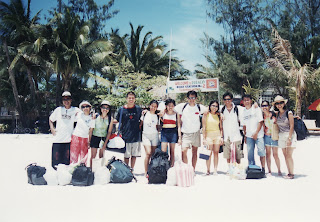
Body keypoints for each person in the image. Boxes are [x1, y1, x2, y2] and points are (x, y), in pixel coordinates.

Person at [174, 90, 206, 170]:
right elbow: (170, 108)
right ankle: (186, 169)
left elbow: (211, 110)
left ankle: (193, 170)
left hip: (196, 133)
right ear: (187, 98)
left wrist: (221, 114)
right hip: (185, 133)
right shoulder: (182, 106)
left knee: (194, 152)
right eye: (190, 97)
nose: (192, 99)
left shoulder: (199, 107)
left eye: (193, 97)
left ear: (196, 98)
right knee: (183, 150)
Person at [49, 91, 80, 169]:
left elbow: (84, 116)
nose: (66, 101)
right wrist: (52, 128)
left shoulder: (75, 110)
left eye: (68, 99)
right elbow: (51, 119)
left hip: (69, 140)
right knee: (55, 163)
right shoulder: (58, 110)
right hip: (57, 140)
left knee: (66, 162)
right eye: (64, 99)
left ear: (71, 100)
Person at [116, 91, 142, 170]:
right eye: (129, 98)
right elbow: (117, 120)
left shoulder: (138, 109)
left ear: (135, 99)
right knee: (126, 155)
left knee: (134, 155)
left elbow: (142, 120)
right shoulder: (121, 109)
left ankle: (131, 170)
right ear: (126, 99)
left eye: (132, 98)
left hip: (136, 136)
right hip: (125, 135)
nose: (131, 99)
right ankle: (126, 170)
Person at [273, 95, 297, 179]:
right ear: (275, 105)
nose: (279, 105)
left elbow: (292, 125)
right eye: (277, 103)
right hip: (281, 135)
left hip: (289, 135)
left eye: (281, 103)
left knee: (288, 155)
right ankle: (289, 172)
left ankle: (291, 174)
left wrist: (289, 138)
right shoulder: (277, 114)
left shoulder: (288, 112)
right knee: (285, 155)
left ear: (284, 103)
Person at [221, 92, 244, 173]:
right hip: (226, 135)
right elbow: (210, 109)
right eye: (225, 99)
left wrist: (255, 105)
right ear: (223, 100)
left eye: (229, 99)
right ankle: (230, 169)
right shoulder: (221, 109)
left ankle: (238, 169)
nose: (227, 101)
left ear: (232, 100)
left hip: (236, 135)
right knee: (227, 154)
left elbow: (249, 109)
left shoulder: (238, 109)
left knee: (238, 154)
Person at [242, 94, 265, 172]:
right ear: (243, 102)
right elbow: (244, 125)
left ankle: (263, 169)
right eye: (245, 100)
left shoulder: (256, 109)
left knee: (261, 152)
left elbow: (260, 121)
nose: (246, 102)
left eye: (248, 100)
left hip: (259, 135)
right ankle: (252, 168)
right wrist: (245, 136)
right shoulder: (243, 111)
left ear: (251, 100)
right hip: (248, 136)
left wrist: (256, 133)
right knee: (250, 153)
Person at [70, 101, 95, 165]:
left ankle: (82, 171)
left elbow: (91, 131)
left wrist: (89, 142)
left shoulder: (92, 118)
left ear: (90, 108)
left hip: (85, 138)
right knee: (73, 156)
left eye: (87, 106)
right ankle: (72, 170)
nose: (85, 108)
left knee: (83, 157)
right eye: (83, 107)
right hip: (76, 136)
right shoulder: (78, 114)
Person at [90, 100, 114, 168]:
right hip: (95, 137)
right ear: (100, 108)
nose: (105, 109)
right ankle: (91, 170)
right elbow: (91, 129)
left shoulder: (110, 118)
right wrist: (89, 140)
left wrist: (105, 143)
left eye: (107, 108)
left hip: (103, 138)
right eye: (103, 107)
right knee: (93, 156)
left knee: (101, 156)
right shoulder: (96, 116)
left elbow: (109, 132)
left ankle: (100, 170)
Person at [202, 100, 223, 175]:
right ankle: (208, 170)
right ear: (210, 106)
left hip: (217, 135)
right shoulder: (205, 114)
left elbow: (221, 127)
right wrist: (204, 138)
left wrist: (221, 137)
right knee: (208, 153)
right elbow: (203, 127)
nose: (214, 107)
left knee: (216, 153)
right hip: (209, 135)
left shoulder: (219, 115)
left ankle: (215, 169)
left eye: (216, 106)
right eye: (213, 105)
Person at [261, 100, 281, 176]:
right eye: (263, 106)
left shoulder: (273, 114)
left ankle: (279, 170)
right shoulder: (262, 116)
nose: (264, 107)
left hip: (274, 136)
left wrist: (295, 117)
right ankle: (269, 171)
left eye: (266, 105)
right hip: (266, 136)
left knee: (275, 154)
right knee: (268, 154)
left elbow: (283, 114)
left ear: (269, 106)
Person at [140, 100, 160, 176]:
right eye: (152, 106)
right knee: (148, 153)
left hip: (154, 136)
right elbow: (140, 124)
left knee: (153, 154)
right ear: (149, 106)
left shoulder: (158, 115)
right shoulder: (144, 114)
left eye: (155, 106)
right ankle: (146, 171)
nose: (153, 108)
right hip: (146, 135)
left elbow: (158, 126)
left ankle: (152, 170)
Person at [160, 99, 182, 167]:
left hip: (173, 133)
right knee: (163, 151)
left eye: (172, 105)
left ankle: (172, 165)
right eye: (169, 105)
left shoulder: (176, 114)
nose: (170, 107)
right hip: (164, 132)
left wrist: (179, 138)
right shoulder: (163, 113)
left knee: (172, 151)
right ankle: (163, 166)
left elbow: (178, 126)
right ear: (166, 106)